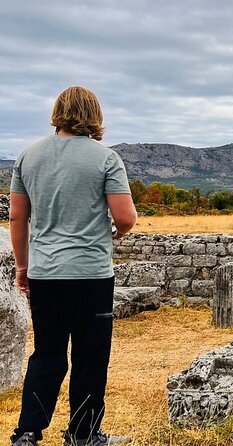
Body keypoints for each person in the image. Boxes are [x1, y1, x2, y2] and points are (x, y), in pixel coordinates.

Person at [9, 86, 137, 445]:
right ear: (95, 115)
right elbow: (126, 217)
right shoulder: (105, 159)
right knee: (89, 356)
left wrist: (23, 267)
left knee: (47, 353)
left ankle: (28, 432)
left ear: (58, 112)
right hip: (90, 275)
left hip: (45, 273)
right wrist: (113, 233)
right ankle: (83, 434)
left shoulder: (27, 157)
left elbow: (18, 218)